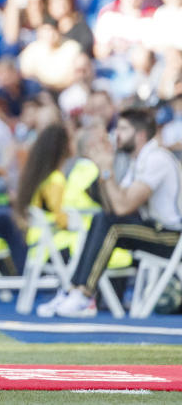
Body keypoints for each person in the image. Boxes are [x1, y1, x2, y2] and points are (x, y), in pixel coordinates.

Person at [38, 109, 182, 318]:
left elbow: (123, 208)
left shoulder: (156, 159)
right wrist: (102, 169)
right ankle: (74, 290)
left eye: (123, 129)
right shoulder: (138, 160)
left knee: (110, 223)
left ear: (140, 135)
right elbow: (113, 206)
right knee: (102, 219)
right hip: (156, 231)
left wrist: (107, 171)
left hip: (172, 237)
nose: (117, 134)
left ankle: (84, 295)